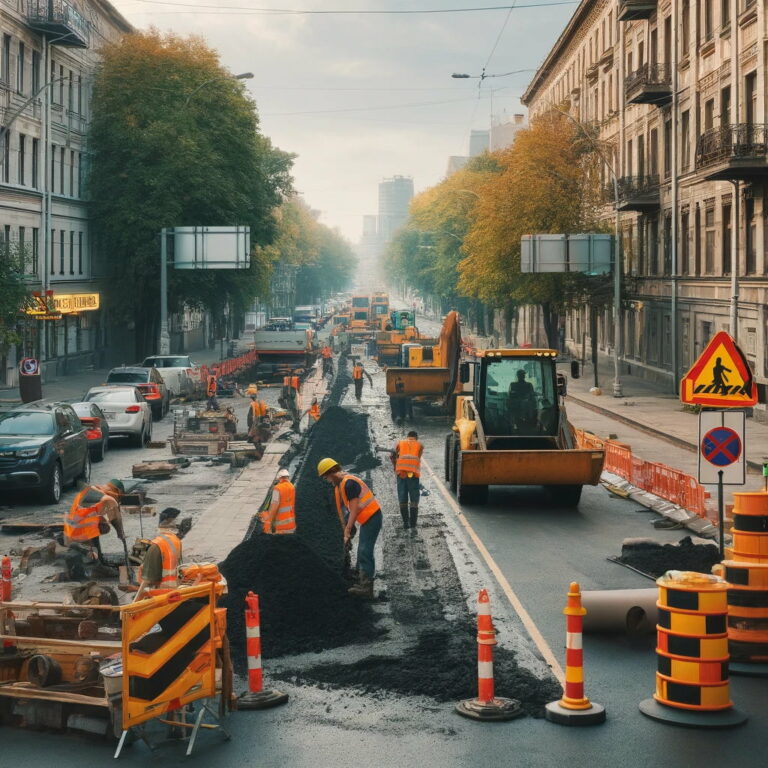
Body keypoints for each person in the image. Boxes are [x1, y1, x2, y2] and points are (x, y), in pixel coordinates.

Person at [317, 457, 382, 599]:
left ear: (331, 472)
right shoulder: (339, 486)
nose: (326, 480)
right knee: (361, 549)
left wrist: (348, 529)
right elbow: (342, 511)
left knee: (365, 550)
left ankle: (367, 588)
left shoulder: (349, 484)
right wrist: (345, 530)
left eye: (326, 476)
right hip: (366, 519)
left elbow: (353, 510)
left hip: (373, 517)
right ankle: (361, 580)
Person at [64, 480, 127, 579]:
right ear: (116, 491)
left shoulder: (93, 490)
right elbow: (115, 517)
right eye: (119, 497)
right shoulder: (108, 498)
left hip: (71, 530)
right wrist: (120, 533)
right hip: (80, 533)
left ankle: (98, 559)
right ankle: (96, 568)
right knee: (99, 527)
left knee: (98, 525)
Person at [134, 508, 183, 600]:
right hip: (175, 590)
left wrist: (134, 603)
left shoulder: (156, 546)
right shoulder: (175, 541)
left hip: (161, 596)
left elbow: (147, 580)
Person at [391, 430, 423, 532]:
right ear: (416, 437)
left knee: (402, 497)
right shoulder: (420, 445)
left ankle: (405, 523)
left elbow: (392, 455)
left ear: (407, 437)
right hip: (413, 474)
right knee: (414, 499)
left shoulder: (399, 443)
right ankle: (413, 524)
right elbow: (418, 456)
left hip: (401, 474)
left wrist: (395, 466)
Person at [261, 469, 296, 535]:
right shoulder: (292, 487)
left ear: (279, 478)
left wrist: (268, 519)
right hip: (291, 524)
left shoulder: (278, 488)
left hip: (280, 526)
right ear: (288, 477)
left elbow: (274, 506)